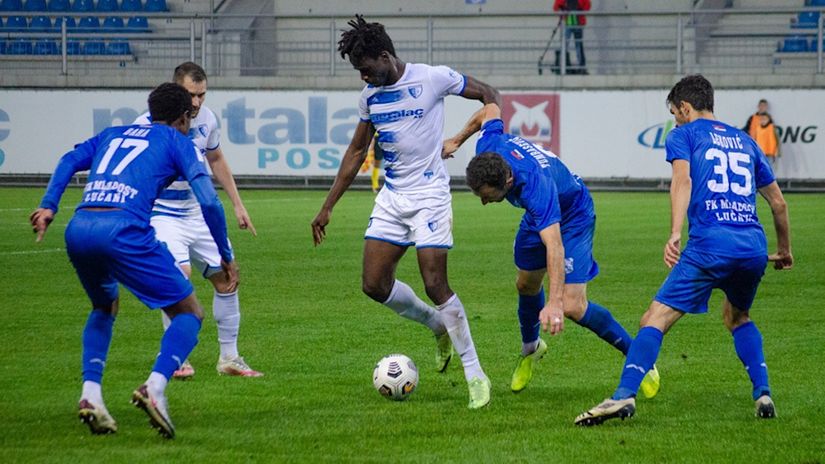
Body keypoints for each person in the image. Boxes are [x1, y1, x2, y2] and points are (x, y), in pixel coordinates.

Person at [574, 75, 792, 426]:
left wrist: (675, 232)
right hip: (752, 246)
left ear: (685, 108)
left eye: (675, 113)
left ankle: (624, 395)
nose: (675, 121)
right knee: (737, 317)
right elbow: (779, 204)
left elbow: (683, 180)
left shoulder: (684, 135)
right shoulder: (746, 141)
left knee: (654, 319)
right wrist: (784, 250)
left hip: (709, 245)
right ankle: (763, 393)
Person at [310, 15, 500, 409]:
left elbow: (489, 94)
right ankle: (437, 326)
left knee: (435, 283)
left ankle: (475, 374)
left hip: (430, 195)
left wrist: (476, 141)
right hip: (393, 198)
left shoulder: (432, 78)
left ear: (385, 56)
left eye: (366, 69)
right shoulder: (370, 97)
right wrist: (327, 206)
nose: (363, 78)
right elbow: (356, 152)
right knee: (374, 285)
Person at [30, 83, 239, 439]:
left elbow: (68, 160)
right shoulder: (179, 142)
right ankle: (154, 387)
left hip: (79, 229)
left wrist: (49, 205)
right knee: (189, 312)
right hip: (124, 230)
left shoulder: (112, 134)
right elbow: (208, 201)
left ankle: (91, 394)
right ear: (183, 118)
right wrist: (225, 254)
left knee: (104, 307)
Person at [443, 103, 659, 396]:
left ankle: (638, 356)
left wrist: (555, 301)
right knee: (525, 284)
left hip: (573, 216)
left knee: (572, 306)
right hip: (538, 217)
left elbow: (554, 245)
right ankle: (531, 349)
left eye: (487, 196)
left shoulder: (535, 186)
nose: (483, 202)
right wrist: (457, 140)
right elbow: (490, 109)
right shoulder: (488, 147)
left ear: (508, 181)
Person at [134, 62, 261, 379]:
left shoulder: (208, 119)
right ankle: (176, 357)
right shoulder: (146, 123)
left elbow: (216, 159)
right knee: (179, 275)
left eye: (202, 95)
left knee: (227, 279)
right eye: (191, 94)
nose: (197, 102)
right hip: (162, 211)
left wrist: (238, 205)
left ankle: (229, 358)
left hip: (197, 211)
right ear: (175, 88)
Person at [553, 0, 591, 75]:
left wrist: (579, 9)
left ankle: (581, 67)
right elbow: (556, 7)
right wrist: (563, 9)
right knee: (566, 45)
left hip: (577, 23)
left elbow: (587, 6)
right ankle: (563, 66)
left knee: (578, 46)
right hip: (568, 24)